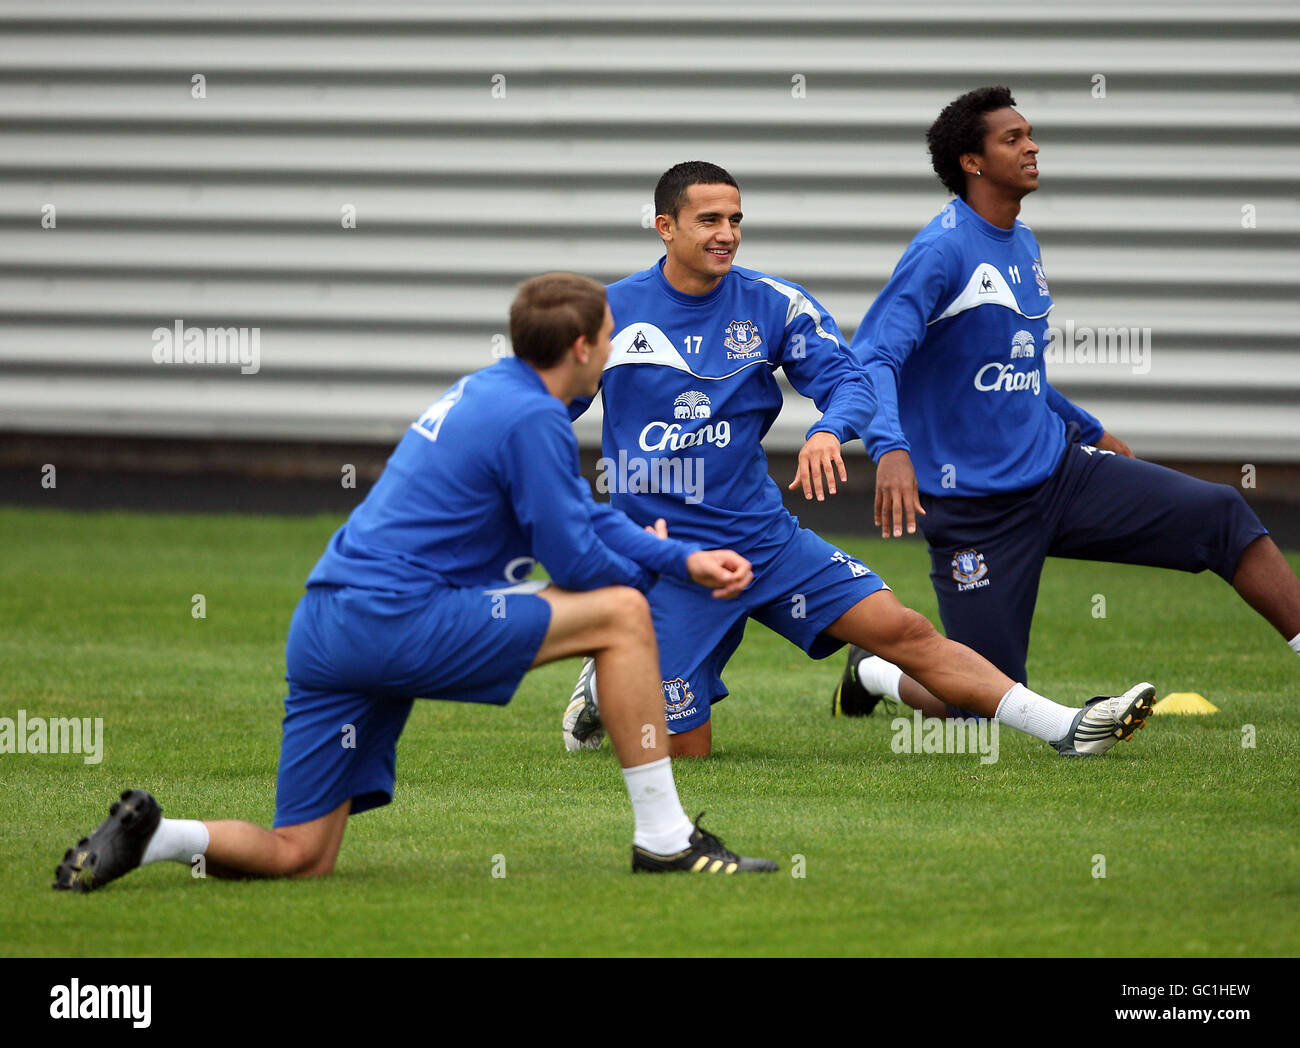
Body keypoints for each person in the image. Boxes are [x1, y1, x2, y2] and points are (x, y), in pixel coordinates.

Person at [53, 272, 780, 892]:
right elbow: (583, 564)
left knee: (302, 855)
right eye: (612, 336)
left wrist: (679, 558)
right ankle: (666, 841)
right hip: (394, 620)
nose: (617, 349)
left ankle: (158, 837)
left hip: (324, 626)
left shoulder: (492, 390)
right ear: (583, 347)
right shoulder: (534, 419)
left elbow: (580, 515)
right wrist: (645, 572)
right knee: (620, 613)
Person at [562, 161, 1155, 761]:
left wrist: (828, 430)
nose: (727, 234)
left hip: (764, 542)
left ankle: (1067, 728)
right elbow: (547, 410)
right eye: (708, 220)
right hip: (670, 560)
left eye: (736, 220)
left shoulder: (775, 304)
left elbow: (852, 381)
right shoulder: (609, 313)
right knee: (687, 753)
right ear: (664, 226)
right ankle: (611, 675)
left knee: (906, 630)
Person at [833, 86, 1300, 721]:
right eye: (1013, 138)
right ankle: (876, 672)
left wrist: (1089, 430)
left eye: (1030, 135)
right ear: (972, 163)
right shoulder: (941, 252)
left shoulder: (1023, 243)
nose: (1032, 147)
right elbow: (874, 358)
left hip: (1061, 475)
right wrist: (889, 449)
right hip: (977, 511)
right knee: (979, 702)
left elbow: (1016, 371)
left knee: (1222, 516)